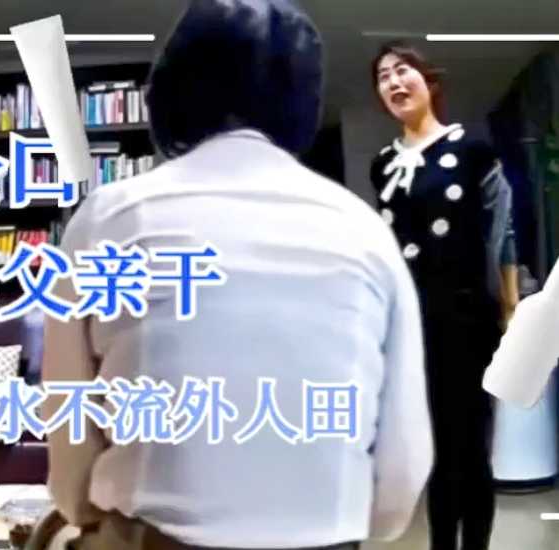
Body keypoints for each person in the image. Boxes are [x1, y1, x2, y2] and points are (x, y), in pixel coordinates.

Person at [41, 1, 434, 549]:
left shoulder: (107, 217)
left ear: (168, 93)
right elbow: (403, 473)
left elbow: (69, 444)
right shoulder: (367, 232)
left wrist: (86, 512)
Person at [369, 41, 520, 550]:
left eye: (403, 70)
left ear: (428, 81)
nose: (394, 81)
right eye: (383, 76)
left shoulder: (473, 151)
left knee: (471, 450)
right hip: (414, 328)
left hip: (469, 319)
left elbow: (503, 234)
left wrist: (510, 312)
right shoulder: (382, 166)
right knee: (432, 452)